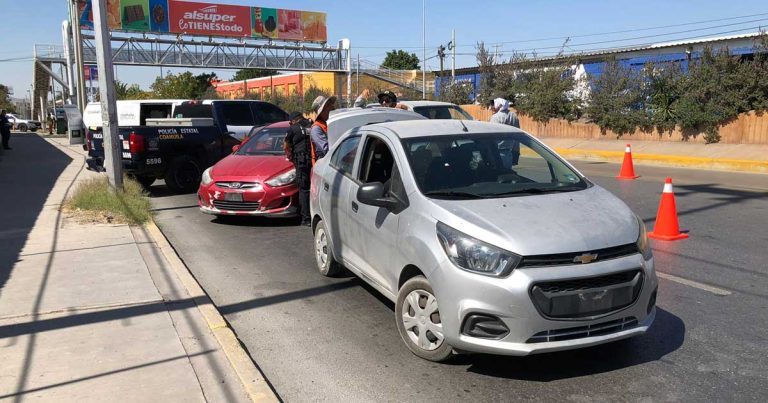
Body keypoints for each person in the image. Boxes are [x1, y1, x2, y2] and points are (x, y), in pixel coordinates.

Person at [284, 111, 313, 226]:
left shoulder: (293, 128)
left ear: (294, 120)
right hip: (315, 161)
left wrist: (290, 157)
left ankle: (306, 218)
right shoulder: (312, 125)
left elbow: (286, 145)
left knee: (304, 189)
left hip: (302, 162)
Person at [490, 98, 521, 165]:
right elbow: (517, 135)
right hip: (509, 153)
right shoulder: (514, 116)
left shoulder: (495, 117)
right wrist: (516, 152)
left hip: (497, 152)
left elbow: (491, 136)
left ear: (499, 105)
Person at [310, 95, 337, 160]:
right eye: (328, 106)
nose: (332, 107)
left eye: (330, 105)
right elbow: (327, 150)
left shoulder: (329, 123)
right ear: (322, 111)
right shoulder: (316, 129)